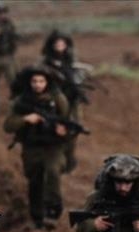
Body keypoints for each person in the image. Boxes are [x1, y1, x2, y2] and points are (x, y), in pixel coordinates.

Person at [4, 65, 70, 230]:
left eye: (41, 81)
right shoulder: (22, 101)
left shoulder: (58, 99)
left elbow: (68, 121)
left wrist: (63, 130)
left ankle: (53, 212)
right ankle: (37, 217)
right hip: (31, 147)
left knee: (52, 172)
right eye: (34, 81)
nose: (38, 84)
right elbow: (8, 125)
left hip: (53, 146)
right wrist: (26, 119)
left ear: (47, 82)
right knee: (35, 180)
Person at [42, 30, 86, 174]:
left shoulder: (71, 61)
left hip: (72, 100)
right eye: (57, 43)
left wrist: (78, 89)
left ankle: (69, 157)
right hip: (53, 101)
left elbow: (79, 78)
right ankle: (55, 159)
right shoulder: (46, 63)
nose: (60, 45)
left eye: (62, 43)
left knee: (73, 129)